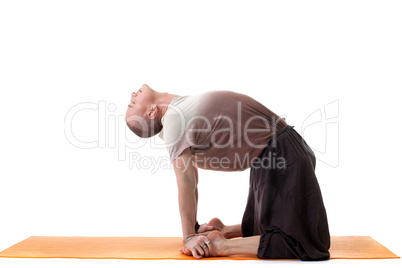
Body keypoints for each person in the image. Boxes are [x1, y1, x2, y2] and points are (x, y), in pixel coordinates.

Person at [125, 84, 330, 260]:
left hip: (274, 154)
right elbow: (187, 180)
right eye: (133, 103)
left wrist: (195, 226)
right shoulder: (173, 121)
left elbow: (192, 176)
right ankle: (222, 246)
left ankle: (225, 231)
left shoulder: (177, 108)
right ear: (151, 113)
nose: (133, 94)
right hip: (278, 156)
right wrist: (189, 237)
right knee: (304, 243)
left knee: (295, 228)